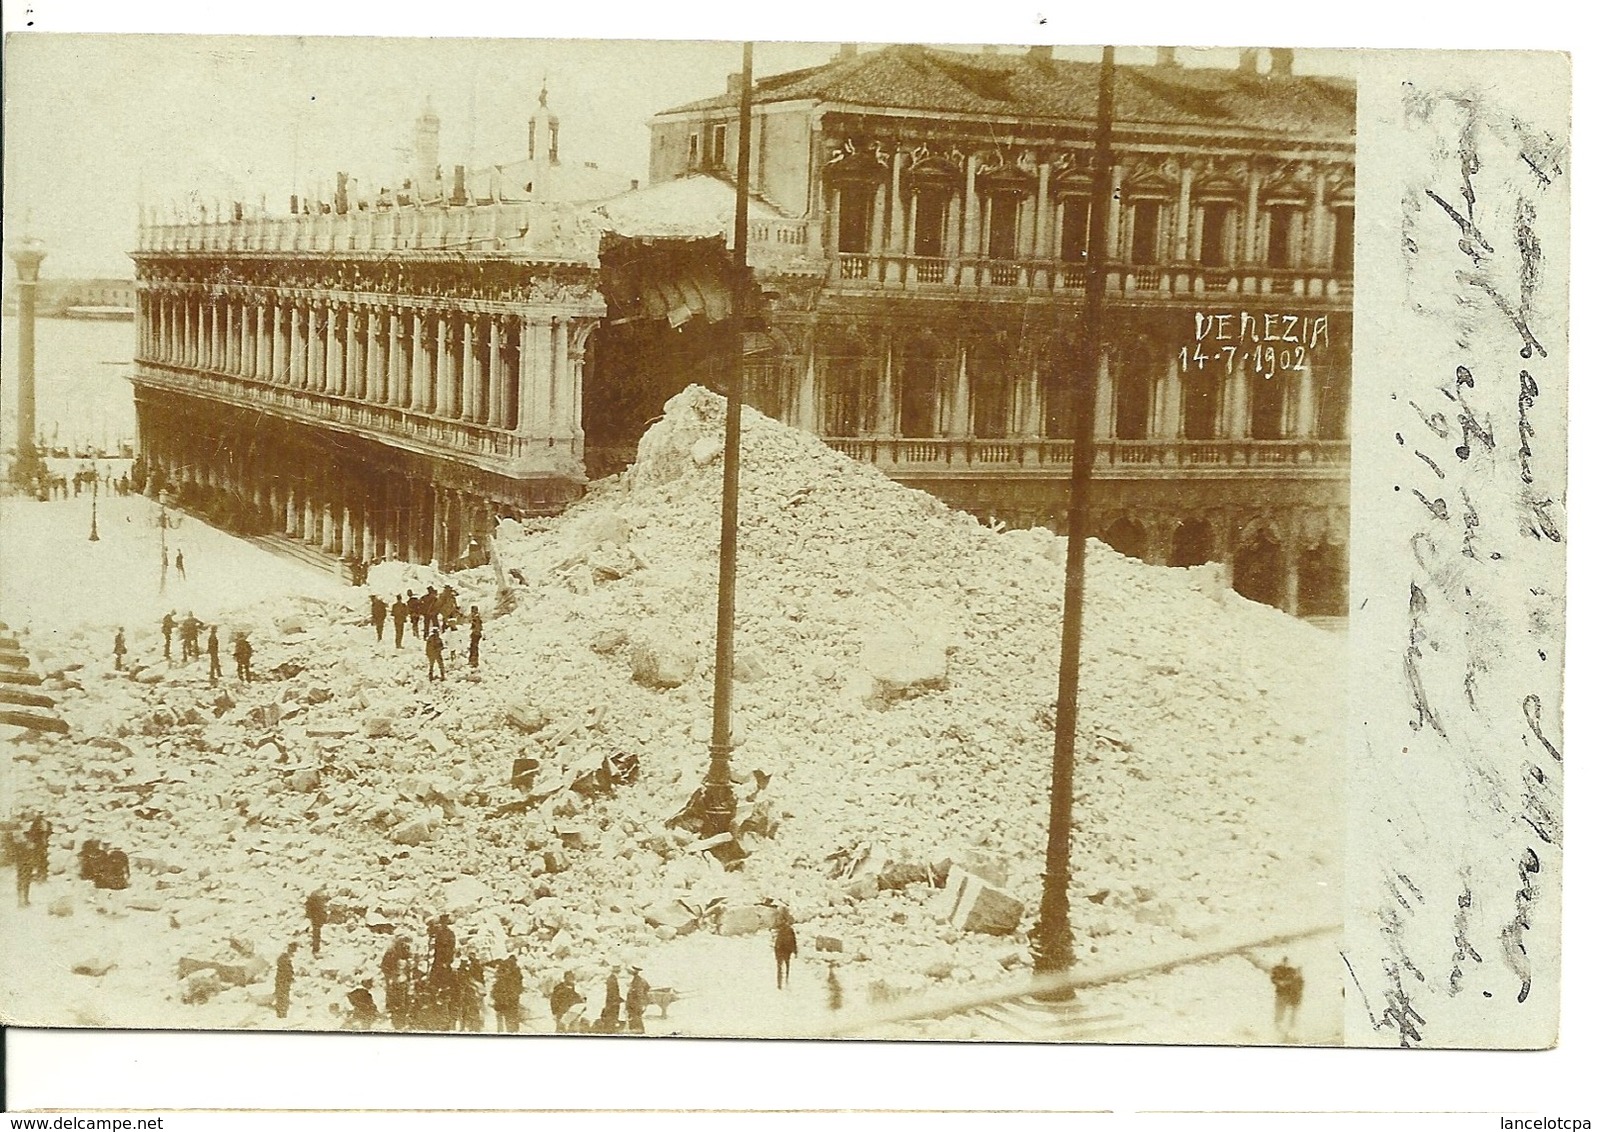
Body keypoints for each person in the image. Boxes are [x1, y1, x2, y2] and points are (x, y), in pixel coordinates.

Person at [380, 936, 414, 1030]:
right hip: (394, 979)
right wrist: (390, 977)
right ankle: (396, 1021)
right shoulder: (391, 952)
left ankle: (402, 1020)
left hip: (404, 979)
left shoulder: (406, 950)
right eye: (402, 942)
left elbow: (410, 961)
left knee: (405, 1000)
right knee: (395, 1001)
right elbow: (385, 966)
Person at [1270, 957, 1304, 1039]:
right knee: (1280, 1013)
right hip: (1283, 996)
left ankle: (1288, 1031)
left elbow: (1298, 989)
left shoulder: (1297, 977)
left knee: (1290, 1015)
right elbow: (1273, 979)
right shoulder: (1282, 970)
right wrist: (1280, 983)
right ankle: (1280, 1029)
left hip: (1291, 998)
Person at [491, 956, 524, 1033]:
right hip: (511, 999)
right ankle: (512, 1031)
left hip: (502, 1000)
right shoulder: (515, 973)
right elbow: (519, 986)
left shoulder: (501, 978)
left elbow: (494, 991)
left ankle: (501, 1031)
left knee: (501, 1017)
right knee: (511, 1017)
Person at [773, 906, 798, 990]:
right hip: (782, 950)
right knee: (782, 968)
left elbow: (793, 941)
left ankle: (784, 983)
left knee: (783, 968)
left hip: (785, 950)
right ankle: (781, 984)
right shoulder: (782, 929)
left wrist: (795, 950)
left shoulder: (787, 930)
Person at [24, 817, 52, 887]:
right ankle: (37, 874)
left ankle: (40, 874)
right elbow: (33, 834)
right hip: (38, 844)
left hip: (43, 844)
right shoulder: (37, 823)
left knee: (41, 859)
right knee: (36, 858)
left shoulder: (46, 823)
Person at [274, 941, 298, 1020]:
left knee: (282, 996)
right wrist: (290, 978)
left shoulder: (284, 958)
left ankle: (282, 1013)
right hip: (282, 981)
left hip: (282, 981)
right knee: (282, 996)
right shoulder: (285, 958)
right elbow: (286, 971)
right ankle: (281, 1013)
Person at [625, 966, 651, 1034]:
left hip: (635, 1004)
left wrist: (643, 1001)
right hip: (635, 1003)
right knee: (635, 1019)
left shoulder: (638, 981)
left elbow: (641, 992)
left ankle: (638, 1033)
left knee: (635, 1019)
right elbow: (647, 988)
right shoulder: (639, 980)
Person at [305, 888, 330, 956]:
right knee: (316, 933)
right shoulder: (315, 904)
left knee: (316, 933)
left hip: (317, 921)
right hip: (316, 920)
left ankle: (316, 949)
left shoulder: (312, 904)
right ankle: (316, 949)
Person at [599, 966, 623, 1034]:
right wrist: (617, 1000)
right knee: (611, 1019)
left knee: (611, 1018)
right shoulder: (612, 979)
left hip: (611, 1002)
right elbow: (613, 993)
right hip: (612, 1003)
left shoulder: (612, 978)